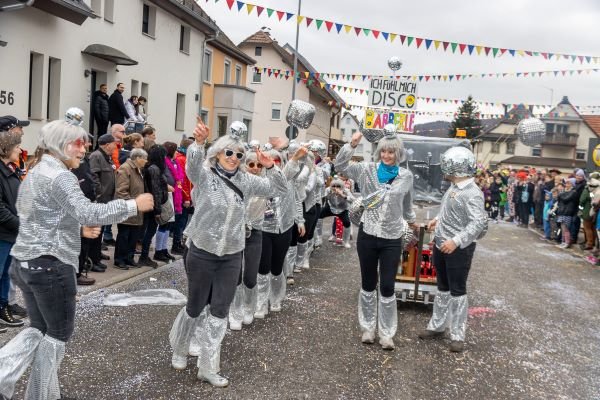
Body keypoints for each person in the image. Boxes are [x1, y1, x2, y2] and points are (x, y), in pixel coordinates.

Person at [0, 118, 153, 400]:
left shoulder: (37, 170)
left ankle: (45, 393)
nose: (83, 150)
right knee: (56, 335)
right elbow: (90, 213)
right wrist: (133, 204)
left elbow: (39, 215)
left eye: (85, 143)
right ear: (60, 145)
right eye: (78, 143)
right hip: (49, 266)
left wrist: (76, 227)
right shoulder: (59, 176)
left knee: (40, 331)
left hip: (28, 263)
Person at [169, 119, 287, 387]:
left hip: (232, 254)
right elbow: (191, 166)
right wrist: (198, 143)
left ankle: (208, 367)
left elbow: (277, 190)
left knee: (220, 310)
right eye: (229, 153)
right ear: (218, 154)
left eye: (239, 155)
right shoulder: (205, 175)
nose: (234, 158)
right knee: (196, 306)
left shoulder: (247, 180)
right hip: (201, 251)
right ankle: (180, 347)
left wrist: (271, 167)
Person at [335, 129, 416, 351]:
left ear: (398, 154)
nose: (387, 156)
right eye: (384, 151)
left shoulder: (405, 176)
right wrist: (351, 145)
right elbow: (339, 166)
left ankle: (387, 333)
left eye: (392, 152)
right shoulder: (366, 170)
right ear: (379, 152)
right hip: (368, 235)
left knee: (388, 285)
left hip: (392, 237)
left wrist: (412, 223)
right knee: (368, 283)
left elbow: (407, 204)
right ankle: (368, 328)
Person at [418, 146, 488, 353]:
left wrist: (456, 241)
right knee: (442, 287)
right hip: (441, 244)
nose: (444, 170)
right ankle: (437, 326)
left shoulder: (473, 193)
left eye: (447, 166)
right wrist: (436, 221)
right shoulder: (453, 188)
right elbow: (449, 212)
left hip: (458, 249)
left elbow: (477, 223)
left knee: (457, 290)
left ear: (456, 168)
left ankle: (457, 334)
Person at [227, 150, 268, 330]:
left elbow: (283, 182)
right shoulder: (236, 182)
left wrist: (272, 165)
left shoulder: (265, 185)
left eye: (259, 165)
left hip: (255, 233)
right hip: (235, 233)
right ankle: (235, 311)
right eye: (251, 164)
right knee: (235, 275)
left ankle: (248, 307)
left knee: (250, 276)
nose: (255, 168)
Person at [0, 128, 25, 328]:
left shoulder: (10, 169)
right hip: (3, 233)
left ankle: (2, 307)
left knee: (5, 274)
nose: (20, 149)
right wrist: (21, 224)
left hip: (11, 233)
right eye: (17, 146)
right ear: (5, 149)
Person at [88, 134, 118, 269]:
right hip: (100, 199)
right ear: (107, 144)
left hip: (107, 199)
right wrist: (99, 193)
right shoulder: (96, 156)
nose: (115, 147)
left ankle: (97, 254)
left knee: (100, 229)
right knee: (95, 231)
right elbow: (93, 176)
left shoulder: (107, 157)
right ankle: (92, 258)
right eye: (114, 144)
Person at [114, 148, 148, 268]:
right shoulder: (125, 168)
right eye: (144, 159)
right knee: (124, 235)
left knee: (133, 236)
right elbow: (121, 191)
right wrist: (133, 204)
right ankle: (120, 260)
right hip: (127, 209)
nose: (146, 161)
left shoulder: (137, 169)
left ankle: (129, 257)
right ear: (138, 158)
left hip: (136, 209)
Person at [71, 139, 98, 285]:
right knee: (78, 242)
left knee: (84, 243)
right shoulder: (72, 161)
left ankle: (79, 270)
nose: (86, 146)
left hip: (87, 204)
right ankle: (75, 273)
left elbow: (89, 178)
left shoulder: (84, 159)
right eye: (84, 143)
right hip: (77, 207)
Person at [140, 145, 171, 266]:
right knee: (149, 232)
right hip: (152, 206)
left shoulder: (154, 168)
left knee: (149, 232)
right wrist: (157, 210)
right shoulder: (154, 169)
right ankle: (144, 256)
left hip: (153, 204)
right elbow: (155, 190)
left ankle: (144, 256)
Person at [164, 141, 186, 255]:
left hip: (176, 195)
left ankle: (167, 248)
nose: (177, 152)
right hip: (168, 196)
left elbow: (181, 177)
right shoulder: (165, 162)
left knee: (171, 224)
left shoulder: (176, 161)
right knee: (166, 224)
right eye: (175, 150)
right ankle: (161, 249)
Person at [173, 138, 193, 254]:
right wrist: (187, 198)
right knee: (180, 222)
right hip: (181, 196)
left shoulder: (184, 159)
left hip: (185, 196)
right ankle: (176, 244)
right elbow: (183, 181)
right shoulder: (182, 160)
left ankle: (178, 243)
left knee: (182, 221)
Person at [556, 178, 579, 249]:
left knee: (566, 229)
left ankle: (567, 242)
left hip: (568, 212)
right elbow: (559, 200)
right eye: (566, 183)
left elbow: (565, 199)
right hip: (562, 211)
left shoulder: (573, 192)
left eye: (569, 183)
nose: (567, 185)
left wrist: (560, 194)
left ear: (572, 184)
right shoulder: (563, 192)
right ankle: (563, 241)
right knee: (562, 228)